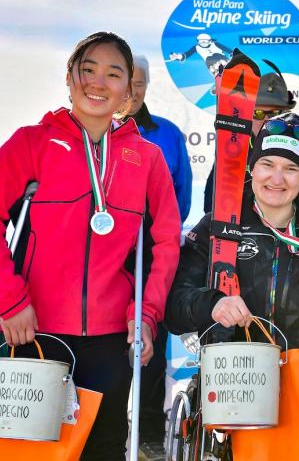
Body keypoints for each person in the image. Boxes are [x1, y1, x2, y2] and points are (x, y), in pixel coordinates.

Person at [0, 32, 182, 461]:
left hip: (111, 340)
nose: (98, 82)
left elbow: (166, 242)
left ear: (128, 89)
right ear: (69, 77)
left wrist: (147, 315)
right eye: (88, 70)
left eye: (113, 74)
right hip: (32, 331)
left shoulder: (147, 157)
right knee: (26, 454)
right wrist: (10, 301)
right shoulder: (32, 143)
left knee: (102, 450)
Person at [167, 112, 299, 447]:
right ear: (251, 169)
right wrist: (213, 304)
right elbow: (175, 308)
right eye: (267, 164)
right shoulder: (218, 228)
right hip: (236, 377)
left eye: (291, 168)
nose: (277, 178)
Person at [123, 54, 192, 460]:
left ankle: (149, 430)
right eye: (123, 79)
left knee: (150, 342)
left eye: (139, 82)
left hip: (151, 254)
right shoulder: (91, 130)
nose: (130, 91)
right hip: (100, 257)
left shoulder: (166, 134)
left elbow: (179, 201)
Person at [203, 60, 299, 219]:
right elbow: (211, 209)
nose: (267, 120)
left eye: (276, 113)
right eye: (258, 113)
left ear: (288, 113)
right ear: (248, 115)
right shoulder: (233, 154)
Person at [128, 55, 192, 223]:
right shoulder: (96, 132)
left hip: (154, 243)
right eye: (126, 83)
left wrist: (165, 234)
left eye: (139, 84)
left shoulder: (170, 133)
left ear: (147, 86)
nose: (132, 92)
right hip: (106, 241)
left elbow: (182, 193)